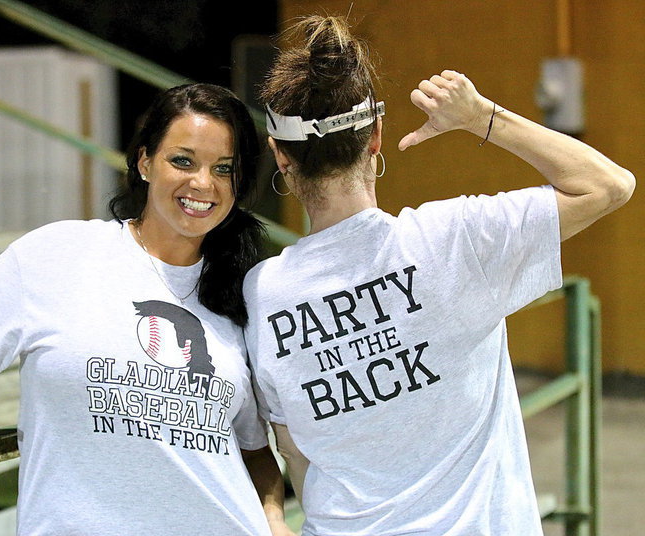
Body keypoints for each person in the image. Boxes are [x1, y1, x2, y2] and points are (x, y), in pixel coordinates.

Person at [243, 15, 635, 536]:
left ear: (281, 155)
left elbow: (293, 450)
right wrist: (480, 117)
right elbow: (608, 186)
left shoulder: (262, 294)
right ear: (376, 136)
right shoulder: (456, 238)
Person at [0, 83, 294, 535]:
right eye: (182, 161)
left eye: (223, 169)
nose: (202, 183)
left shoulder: (240, 298)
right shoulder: (59, 254)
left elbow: (253, 452)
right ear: (145, 163)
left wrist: (275, 523)